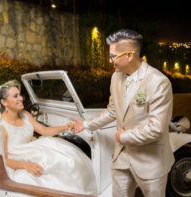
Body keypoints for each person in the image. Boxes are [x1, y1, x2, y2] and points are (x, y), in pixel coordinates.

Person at [71, 29, 175, 197]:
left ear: (129, 55)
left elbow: (157, 129)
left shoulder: (159, 82)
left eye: (113, 56)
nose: (110, 60)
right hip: (122, 157)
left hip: (150, 160)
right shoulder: (116, 77)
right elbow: (112, 110)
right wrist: (85, 124)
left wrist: (122, 137)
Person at [0, 80, 97, 195]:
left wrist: (64, 127)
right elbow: (3, 159)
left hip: (31, 149)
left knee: (69, 157)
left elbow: (44, 130)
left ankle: (80, 191)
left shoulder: (25, 114)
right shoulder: (0, 127)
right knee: (55, 162)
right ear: (4, 102)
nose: (21, 98)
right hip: (17, 157)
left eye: (20, 95)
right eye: (15, 96)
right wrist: (26, 165)